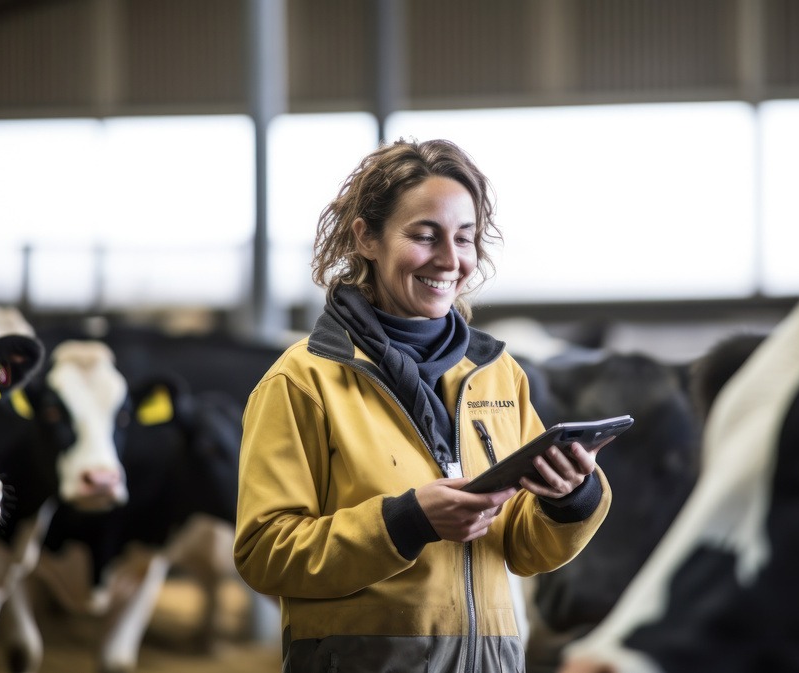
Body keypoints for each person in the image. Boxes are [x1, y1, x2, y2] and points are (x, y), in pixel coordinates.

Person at [234, 137, 612, 672]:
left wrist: (570, 497)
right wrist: (404, 522)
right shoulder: (302, 381)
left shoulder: (498, 374)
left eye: (465, 238)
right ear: (366, 237)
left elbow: (526, 551)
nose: (450, 260)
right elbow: (264, 553)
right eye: (424, 235)